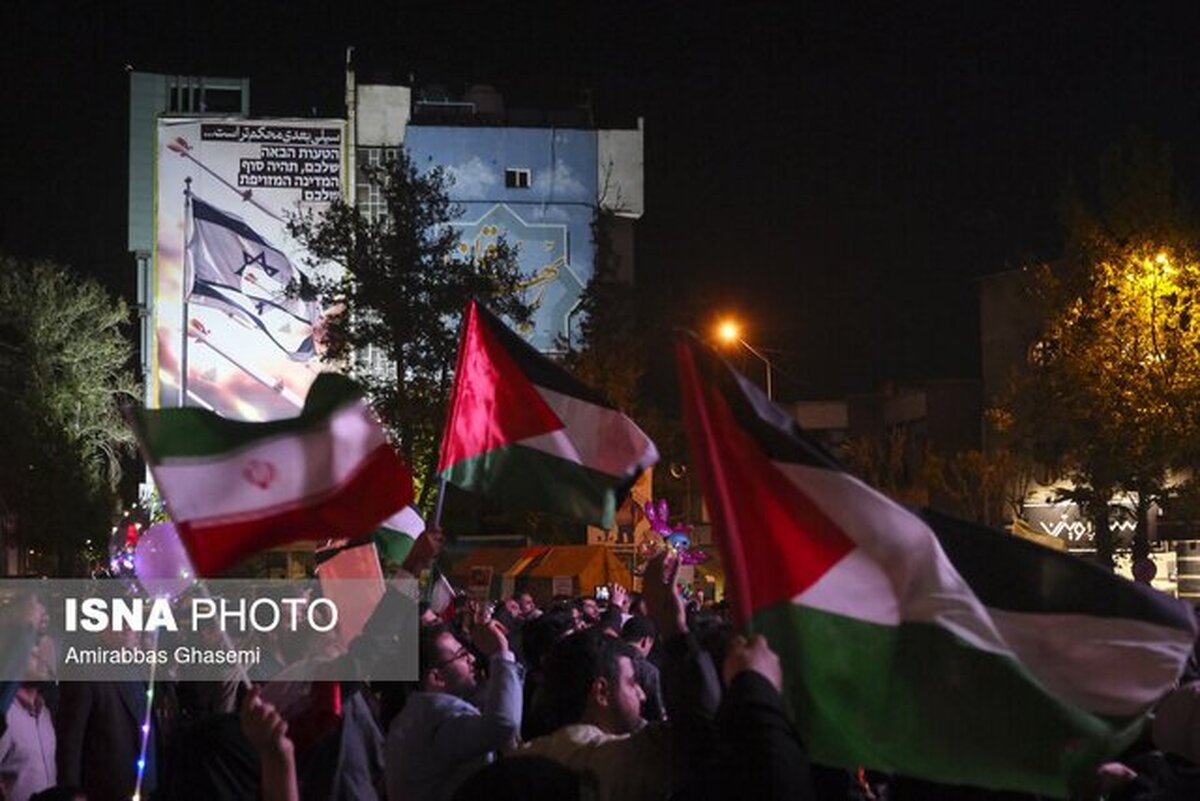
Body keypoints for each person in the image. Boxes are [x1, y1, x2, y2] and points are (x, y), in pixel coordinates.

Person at [519, 552, 720, 801]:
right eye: (632, 682)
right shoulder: (619, 759)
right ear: (601, 692)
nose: (642, 693)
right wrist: (674, 630)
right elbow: (702, 732)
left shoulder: (524, 759)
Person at [385, 619, 522, 801]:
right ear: (437, 677)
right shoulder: (438, 717)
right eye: (462, 655)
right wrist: (501, 653)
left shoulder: (417, 713)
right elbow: (502, 724)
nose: (472, 659)